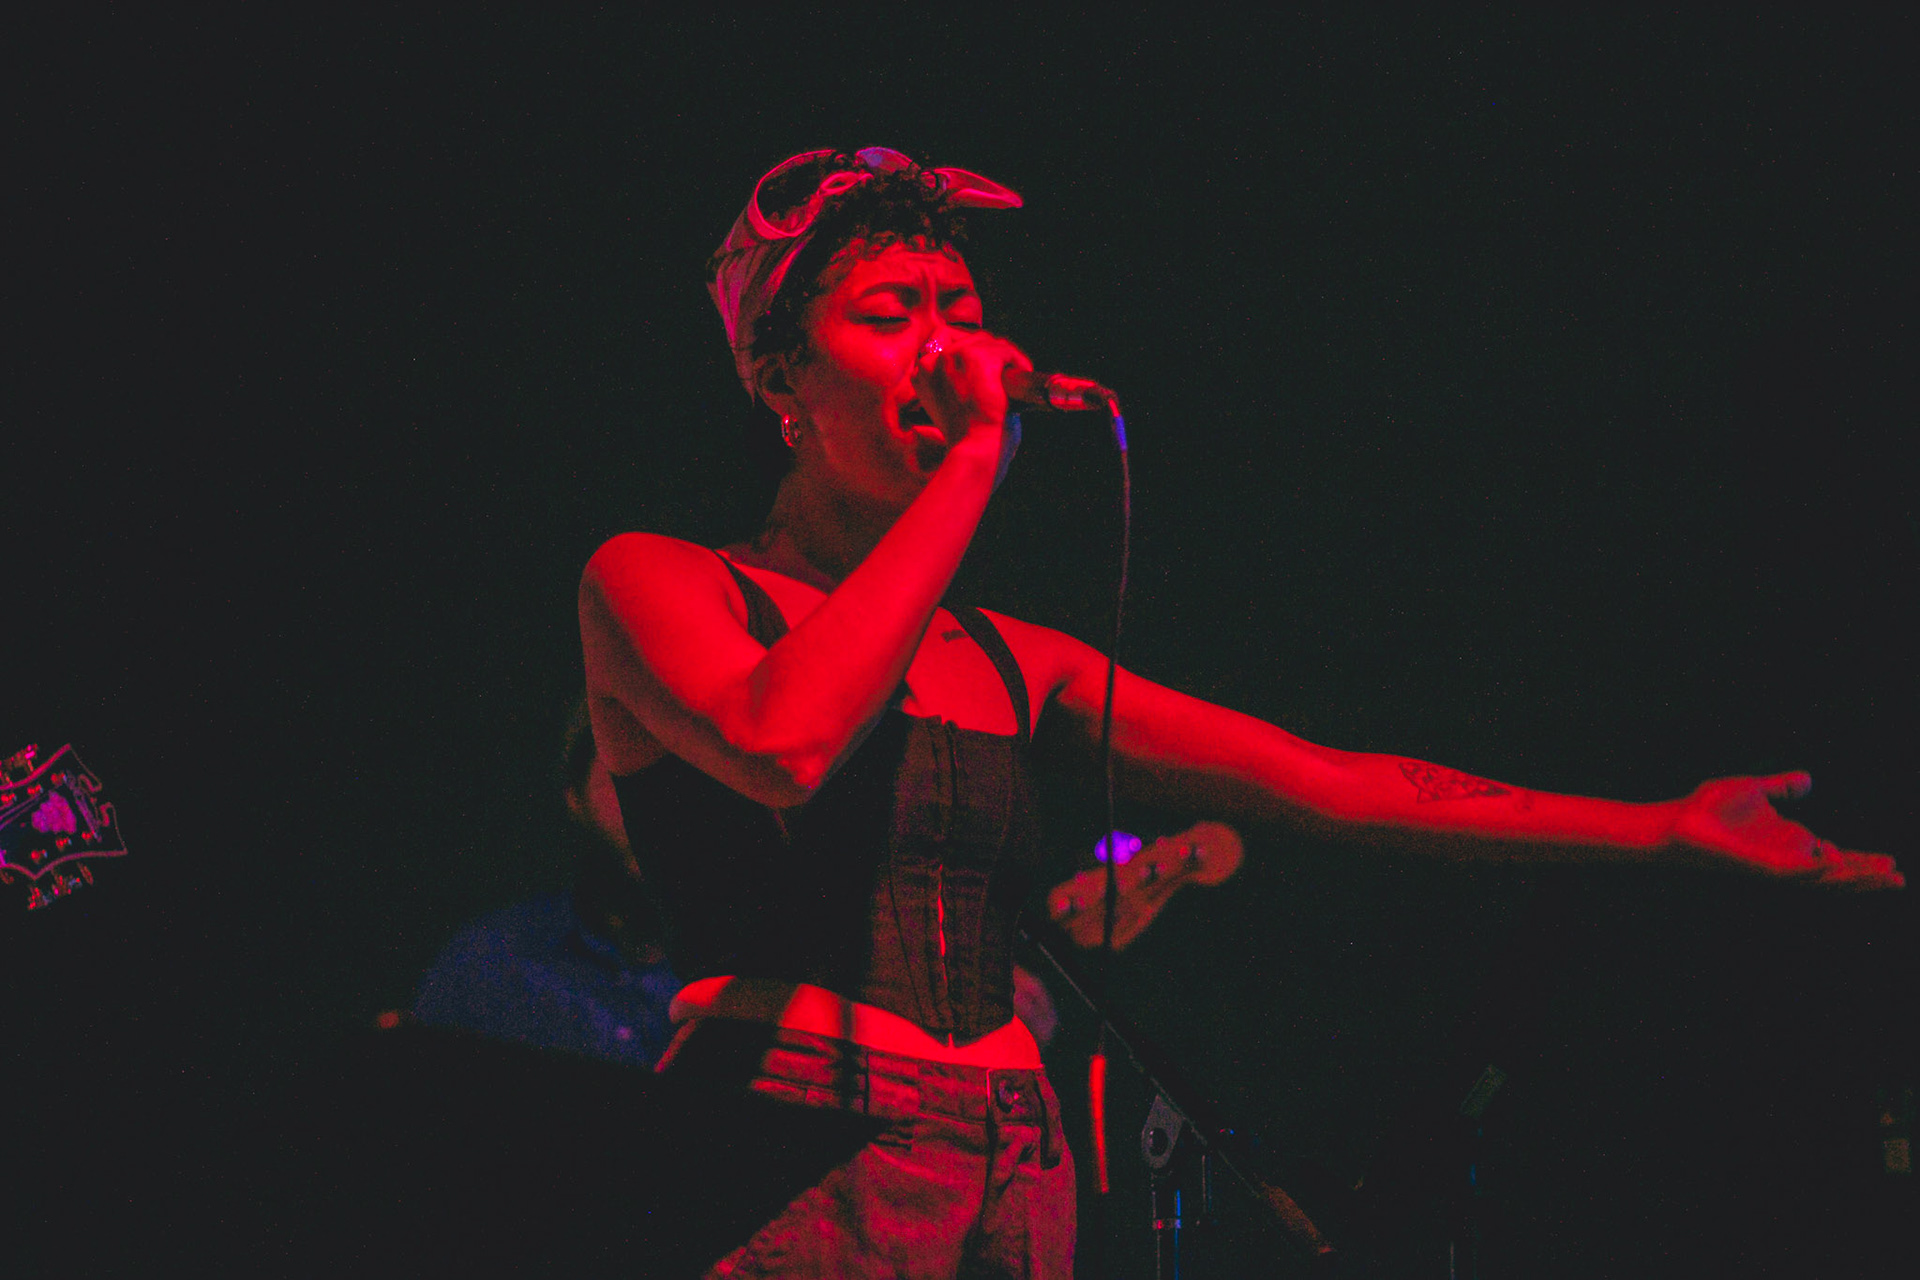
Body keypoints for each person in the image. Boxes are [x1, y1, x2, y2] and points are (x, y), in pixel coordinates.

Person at [578, 147, 1902, 1279]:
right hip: (790, 1129)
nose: (944, 345)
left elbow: (1335, 780)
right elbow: (781, 741)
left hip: (1014, 1143)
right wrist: (976, 457)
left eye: (959, 308)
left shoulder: (1012, 659)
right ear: (778, 379)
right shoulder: (659, 580)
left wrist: (1661, 826)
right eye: (888, 314)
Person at [413, 699, 681, 1069]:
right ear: (575, 796)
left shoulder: (749, 979)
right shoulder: (488, 967)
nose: (656, 806)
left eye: (678, 779)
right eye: (626, 778)